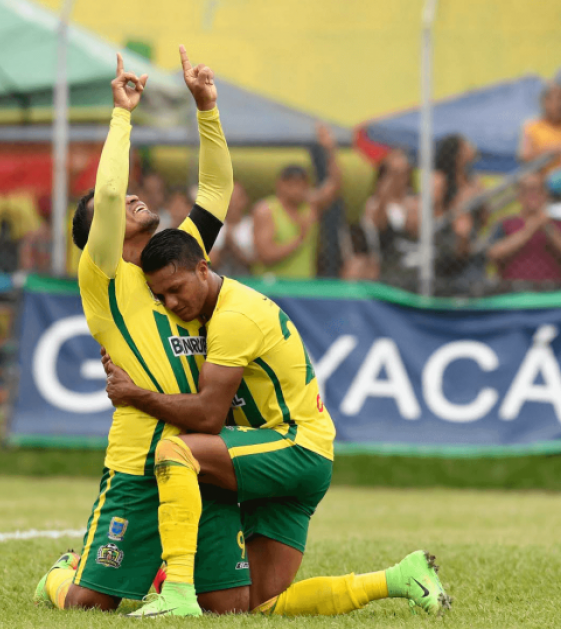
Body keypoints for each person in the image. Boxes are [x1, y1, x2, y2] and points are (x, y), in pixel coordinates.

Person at [104, 228, 451, 617]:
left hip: (292, 446)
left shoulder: (234, 317)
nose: (171, 302)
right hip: (303, 455)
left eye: (176, 288)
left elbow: (207, 416)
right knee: (260, 604)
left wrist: (134, 395)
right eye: (161, 296)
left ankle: (179, 592)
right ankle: (400, 577)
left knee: (176, 451)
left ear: (203, 269)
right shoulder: (218, 309)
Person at [33, 47, 250, 615]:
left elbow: (216, 194)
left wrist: (207, 108)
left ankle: (166, 580)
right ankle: (60, 574)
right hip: (137, 460)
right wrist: (122, 112)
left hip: (200, 450)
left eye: (135, 198)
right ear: (97, 234)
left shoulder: (175, 259)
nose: (132, 197)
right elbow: (105, 194)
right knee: (88, 605)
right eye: (117, 207)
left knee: (232, 604)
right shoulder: (102, 278)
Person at [251, 124, 342, 279]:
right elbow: (265, 256)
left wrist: (330, 150)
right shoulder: (266, 210)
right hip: (273, 288)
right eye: (291, 184)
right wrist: (299, 239)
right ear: (280, 185)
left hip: (302, 288)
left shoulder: (310, 205)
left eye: (301, 184)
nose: (296, 189)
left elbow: (334, 186)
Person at [486, 172, 561, 287]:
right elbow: (493, 254)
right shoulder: (505, 224)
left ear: (546, 194)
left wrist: (548, 229)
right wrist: (528, 232)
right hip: (513, 292)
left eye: (538, 190)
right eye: (528, 190)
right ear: (519, 195)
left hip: (553, 293)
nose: (533, 195)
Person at [432, 134, 487, 294]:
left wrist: (481, 199)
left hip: (471, 247)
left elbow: (483, 219)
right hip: (447, 248)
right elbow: (436, 216)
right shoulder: (440, 180)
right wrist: (462, 201)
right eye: (466, 146)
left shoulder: (474, 180)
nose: (471, 149)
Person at [362, 149, 419, 288]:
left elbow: (415, 228)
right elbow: (379, 224)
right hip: (385, 268)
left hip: (413, 267)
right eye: (394, 173)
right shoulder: (374, 205)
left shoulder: (415, 202)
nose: (399, 179)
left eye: (404, 174)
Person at [209, 181, 255, 276]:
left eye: (235, 198)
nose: (232, 203)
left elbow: (256, 263)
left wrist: (233, 247)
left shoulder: (252, 225)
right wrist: (224, 246)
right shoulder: (210, 225)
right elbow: (208, 263)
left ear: (245, 200)